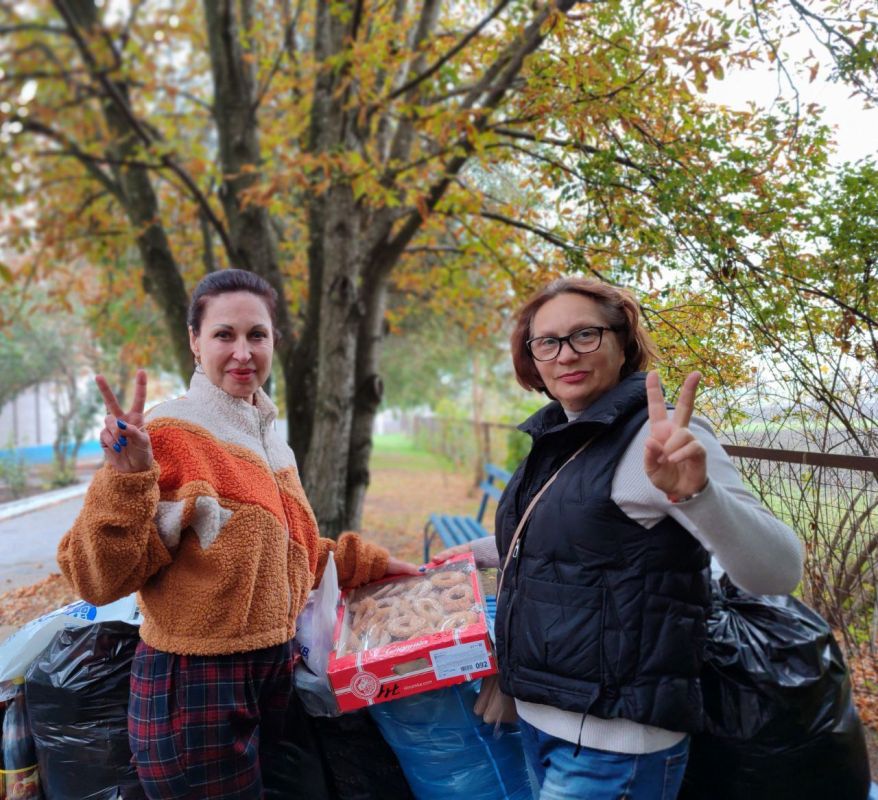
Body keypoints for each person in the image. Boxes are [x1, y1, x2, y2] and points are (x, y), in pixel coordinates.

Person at [433, 277, 803, 800]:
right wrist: (462, 557)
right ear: (532, 358)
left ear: (623, 342)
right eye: (547, 342)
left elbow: (780, 571)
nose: (566, 354)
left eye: (585, 335)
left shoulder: (660, 440)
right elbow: (570, 544)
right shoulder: (560, 435)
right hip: (539, 720)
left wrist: (698, 495)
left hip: (613, 748)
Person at [57, 269, 417, 799]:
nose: (243, 352)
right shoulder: (168, 434)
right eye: (224, 334)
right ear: (194, 341)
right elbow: (96, 579)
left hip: (274, 675)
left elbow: (291, 549)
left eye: (257, 335)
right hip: (195, 689)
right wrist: (127, 479)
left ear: (274, 342)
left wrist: (372, 566)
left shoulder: (270, 440)